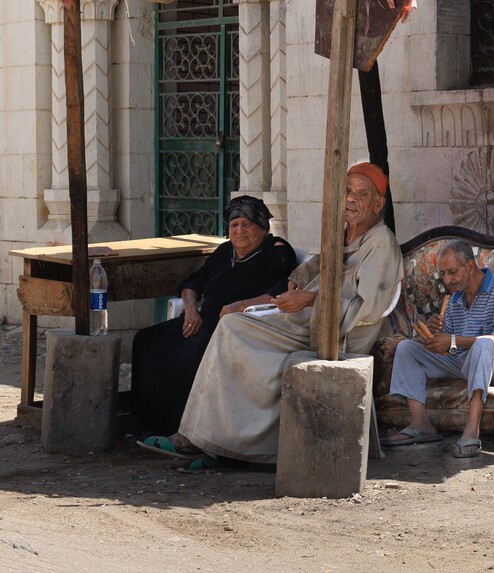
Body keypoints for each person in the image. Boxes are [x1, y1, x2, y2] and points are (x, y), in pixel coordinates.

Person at [141, 162, 404, 470]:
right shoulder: (345, 234)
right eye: (347, 191)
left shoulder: (381, 242)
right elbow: (319, 265)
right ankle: (212, 442)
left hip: (335, 333)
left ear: (378, 203)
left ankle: (218, 444)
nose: (351, 199)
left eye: (361, 193)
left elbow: (369, 307)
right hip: (306, 320)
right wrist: (299, 278)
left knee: (232, 329)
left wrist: (308, 298)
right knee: (228, 330)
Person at [131, 196, 298, 437]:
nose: (239, 231)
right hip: (202, 322)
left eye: (247, 224)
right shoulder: (225, 251)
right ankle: (146, 423)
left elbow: (282, 290)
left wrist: (239, 306)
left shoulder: (277, 252)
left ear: (263, 228)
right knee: (147, 341)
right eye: (234, 225)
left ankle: (182, 431)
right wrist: (190, 309)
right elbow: (193, 283)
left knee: (191, 355)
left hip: (236, 330)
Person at [381, 239, 494, 458]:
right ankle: (421, 423)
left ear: (470, 266)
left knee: (484, 344)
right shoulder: (455, 300)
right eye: (443, 273)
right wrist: (435, 337)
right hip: (466, 361)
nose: (447, 280)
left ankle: (472, 429)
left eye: (452, 272)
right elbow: (450, 350)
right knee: (407, 349)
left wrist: (452, 341)